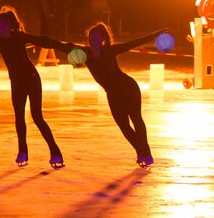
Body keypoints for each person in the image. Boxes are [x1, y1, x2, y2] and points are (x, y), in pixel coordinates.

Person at [0, 6, 68, 169]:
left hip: (32, 79)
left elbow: (43, 40)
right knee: (19, 117)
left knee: (37, 117)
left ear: (10, 25)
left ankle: (55, 151)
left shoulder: (19, 37)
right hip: (17, 82)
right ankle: (23, 151)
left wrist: (67, 46)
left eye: (1, 25)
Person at [55, 23, 166, 168]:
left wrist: (156, 34)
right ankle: (142, 151)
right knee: (124, 126)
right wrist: (37, 40)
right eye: (90, 37)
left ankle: (145, 153)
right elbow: (62, 46)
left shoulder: (110, 50)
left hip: (128, 88)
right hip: (113, 94)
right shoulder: (85, 53)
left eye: (95, 37)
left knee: (137, 120)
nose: (92, 40)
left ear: (102, 38)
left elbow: (134, 43)